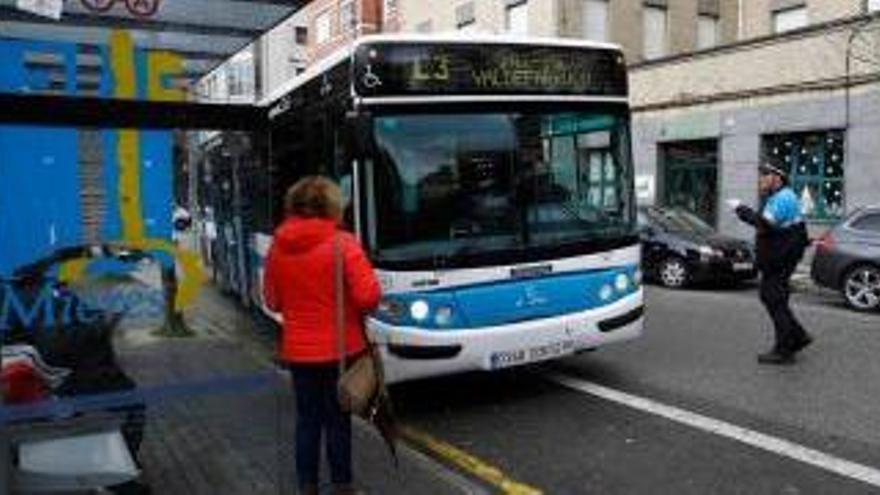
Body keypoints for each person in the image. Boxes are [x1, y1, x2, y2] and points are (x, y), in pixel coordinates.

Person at [263, 176, 381, 495]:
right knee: (338, 421)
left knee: (307, 421)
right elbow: (368, 297)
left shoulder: (278, 247)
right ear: (332, 206)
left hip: (299, 354)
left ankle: (307, 486)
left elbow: (272, 301)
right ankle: (342, 487)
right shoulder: (344, 244)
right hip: (342, 351)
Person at [733, 163, 812, 365]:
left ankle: (784, 351)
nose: (761, 179)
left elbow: (765, 224)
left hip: (779, 261)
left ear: (777, 178)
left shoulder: (783, 197)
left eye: (765, 175)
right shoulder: (779, 197)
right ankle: (799, 336)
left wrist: (742, 210)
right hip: (778, 260)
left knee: (773, 299)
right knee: (776, 300)